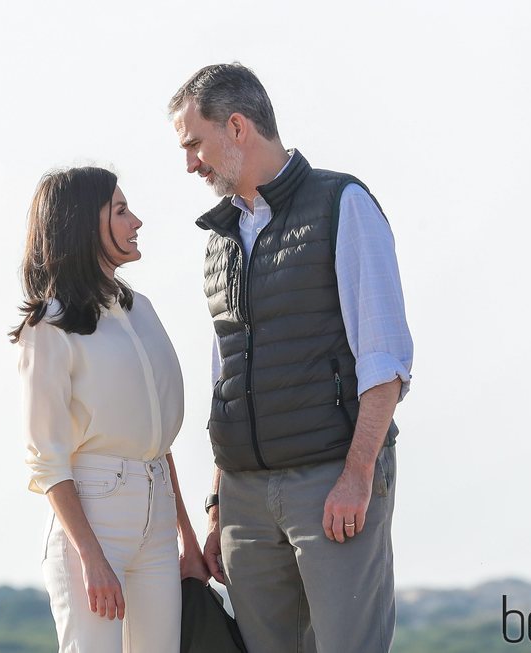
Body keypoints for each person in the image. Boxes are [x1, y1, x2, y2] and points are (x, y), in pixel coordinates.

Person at [168, 64, 414, 653]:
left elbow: (386, 362)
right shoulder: (220, 240)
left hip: (331, 482)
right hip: (245, 501)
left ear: (236, 126)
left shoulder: (342, 203)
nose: (190, 164)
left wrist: (356, 477)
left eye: (193, 144)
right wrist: (216, 505)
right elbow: (224, 382)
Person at [10, 167, 208, 653]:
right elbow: (46, 458)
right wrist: (91, 556)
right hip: (94, 518)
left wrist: (185, 535)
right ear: (82, 225)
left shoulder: (140, 309)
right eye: (120, 211)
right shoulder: (49, 326)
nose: (136, 221)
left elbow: (157, 441)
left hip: (157, 515)